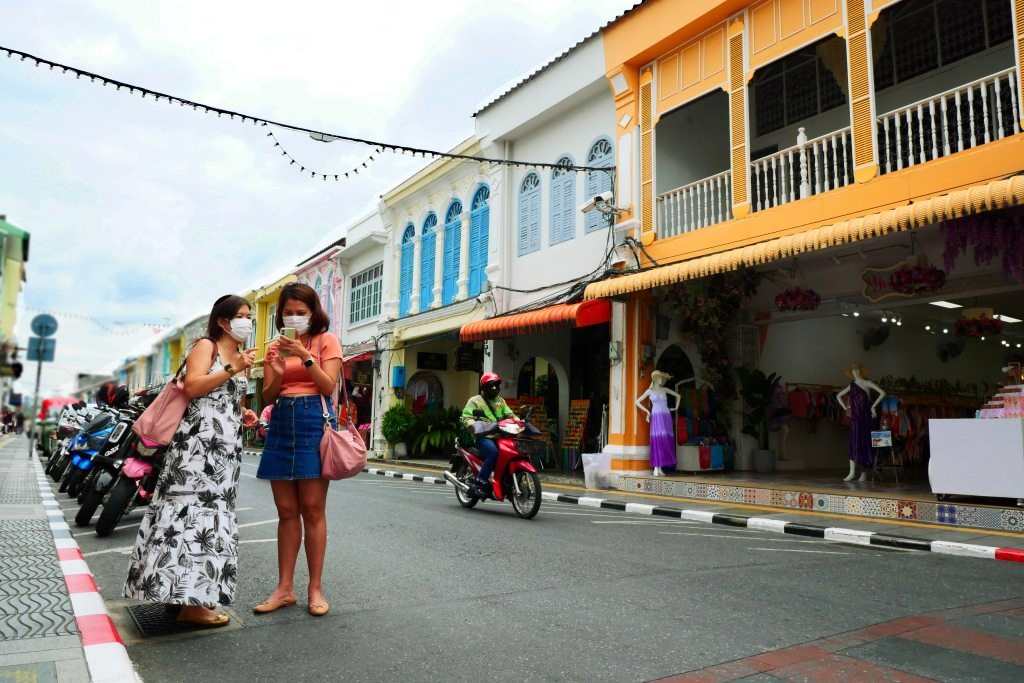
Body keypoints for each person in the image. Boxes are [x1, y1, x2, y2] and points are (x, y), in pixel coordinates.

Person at [123, 295, 258, 627]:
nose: (247, 322)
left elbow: (224, 399)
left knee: (209, 518)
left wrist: (244, 411)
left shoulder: (238, 355)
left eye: (250, 316)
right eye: (241, 316)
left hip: (225, 452)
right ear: (224, 321)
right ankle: (192, 606)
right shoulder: (206, 346)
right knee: (189, 516)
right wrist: (231, 369)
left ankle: (180, 595)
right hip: (197, 450)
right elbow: (194, 388)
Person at [255, 283, 341, 617]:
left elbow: (328, 385)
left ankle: (315, 588)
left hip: (313, 420)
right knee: (286, 510)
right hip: (282, 420)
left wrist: (305, 357)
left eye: (300, 312)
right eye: (288, 312)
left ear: (313, 312)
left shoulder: (325, 341)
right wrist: (276, 372)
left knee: (313, 508)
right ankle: (284, 588)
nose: (294, 317)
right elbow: (268, 396)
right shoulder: (275, 346)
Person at [461, 372, 517, 498]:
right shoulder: (474, 401)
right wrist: (474, 425)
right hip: (483, 437)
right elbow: (466, 417)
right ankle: (479, 482)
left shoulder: (500, 401)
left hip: (501, 435)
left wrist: (520, 422)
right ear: (484, 387)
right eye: (492, 386)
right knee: (493, 453)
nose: (495, 389)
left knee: (511, 452)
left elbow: (510, 415)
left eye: (497, 386)